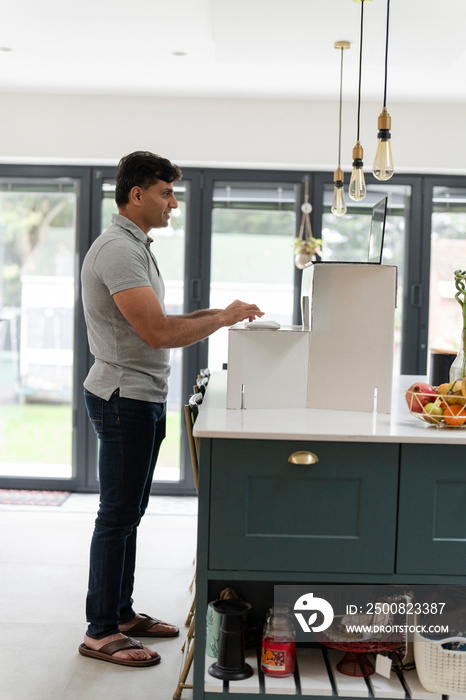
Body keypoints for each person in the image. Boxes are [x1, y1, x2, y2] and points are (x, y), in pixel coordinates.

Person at [78, 151, 264, 667]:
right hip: (123, 399)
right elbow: (158, 332)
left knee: (129, 515)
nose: (173, 203)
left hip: (141, 397)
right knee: (116, 517)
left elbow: (160, 319)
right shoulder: (117, 250)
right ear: (136, 195)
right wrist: (221, 319)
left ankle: (120, 614)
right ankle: (99, 631)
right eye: (165, 193)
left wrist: (222, 314)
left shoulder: (135, 246)